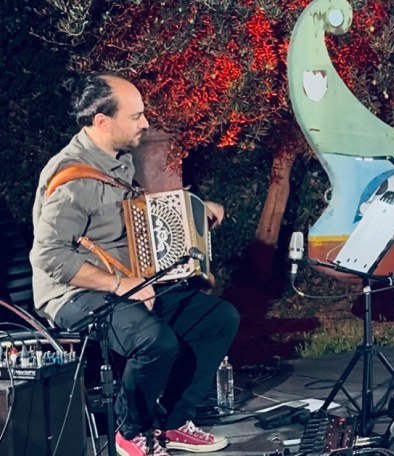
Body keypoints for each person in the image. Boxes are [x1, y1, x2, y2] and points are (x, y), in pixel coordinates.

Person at [30, 74, 240, 455]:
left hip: (127, 283)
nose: (145, 123)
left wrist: (193, 214)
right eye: (136, 116)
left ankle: (173, 422)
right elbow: (48, 256)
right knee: (154, 341)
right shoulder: (72, 178)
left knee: (219, 318)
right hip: (73, 293)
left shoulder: (118, 162)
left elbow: (139, 220)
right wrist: (119, 285)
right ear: (102, 121)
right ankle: (131, 431)